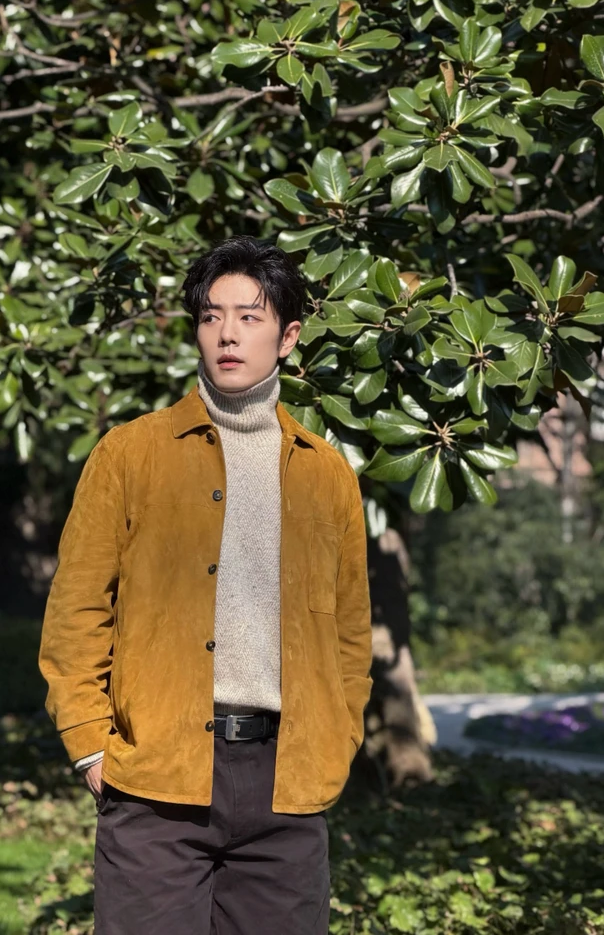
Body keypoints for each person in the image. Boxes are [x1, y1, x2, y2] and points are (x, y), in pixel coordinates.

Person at [38, 235, 373, 935]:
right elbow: (77, 610)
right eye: (212, 316)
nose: (228, 334)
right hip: (155, 778)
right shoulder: (129, 454)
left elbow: (350, 633)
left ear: (288, 337)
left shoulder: (327, 474)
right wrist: (92, 745)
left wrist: (338, 741)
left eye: (250, 317)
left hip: (287, 785)